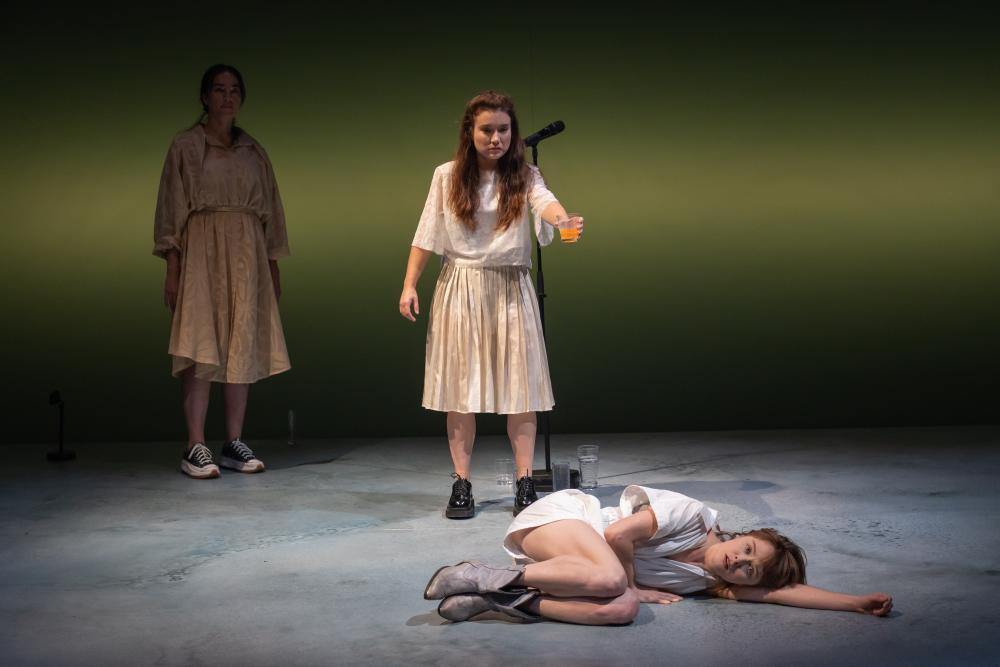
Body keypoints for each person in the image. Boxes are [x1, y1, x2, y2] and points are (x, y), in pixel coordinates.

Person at [398, 91, 584, 519]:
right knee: (459, 391)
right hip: (460, 286)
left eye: (503, 129)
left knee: (522, 390)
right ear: (470, 131)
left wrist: (563, 219)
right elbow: (425, 234)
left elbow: (546, 202)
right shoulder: (446, 176)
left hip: (510, 287)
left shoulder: (525, 175)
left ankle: (524, 483)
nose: (496, 138)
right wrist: (409, 285)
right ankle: (461, 483)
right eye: (487, 130)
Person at [424, 485, 894, 624]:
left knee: (622, 610)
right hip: (562, 522)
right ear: (744, 534)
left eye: (749, 571)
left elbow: (783, 593)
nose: (739, 562)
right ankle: (478, 572)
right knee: (618, 586)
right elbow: (617, 535)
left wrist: (855, 603)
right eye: (747, 550)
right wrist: (635, 585)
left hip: (569, 570)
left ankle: (493, 599)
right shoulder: (690, 515)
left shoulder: (709, 583)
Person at [153, 64, 290, 479]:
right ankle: (195, 443)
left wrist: (272, 265)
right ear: (205, 96)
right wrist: (173, 266)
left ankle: (233, 441)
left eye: (234, 90)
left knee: (240, 343)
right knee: (200, 344)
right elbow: (171, 208)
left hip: (247, 253)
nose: (227, 97)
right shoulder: (186, 146)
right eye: (219, 89)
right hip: (202, 251)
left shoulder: (253, 151)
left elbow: (271, 212)